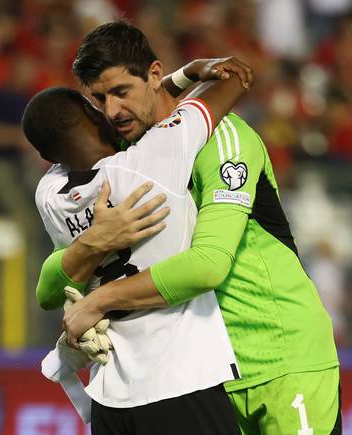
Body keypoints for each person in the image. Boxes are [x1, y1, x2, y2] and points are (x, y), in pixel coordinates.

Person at [39, 21, 341, 435]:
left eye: (122, 93)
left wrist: (99, 300)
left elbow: (208, 264)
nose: (111, 111)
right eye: (99, 99)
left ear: (156, 76)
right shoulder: (127, 156)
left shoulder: (225, 139)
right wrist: (92, 243)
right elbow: (48, 287)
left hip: (281, 357)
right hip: (209, 372)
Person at [24, 61, 252, 434]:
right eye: (98, 103)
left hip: (111, 394)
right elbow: (234, 82)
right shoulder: (155, 158)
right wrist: (192, 72)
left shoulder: (49, 197)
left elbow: (50, 290)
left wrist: (94, 241)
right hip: (180, 381)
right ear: (93, 115)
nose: (111, 110)